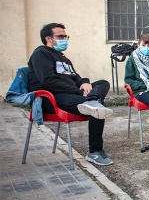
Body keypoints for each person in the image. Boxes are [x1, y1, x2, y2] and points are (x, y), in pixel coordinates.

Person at [27, 23, 114, 166]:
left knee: (103, 83)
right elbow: (48, 81)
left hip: (70, 94)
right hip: (52, 98)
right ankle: (95, 152)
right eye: (60, 36)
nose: (64, 39)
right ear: (48, 38)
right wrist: (79, 91)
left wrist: (84, 83)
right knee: (99, 108)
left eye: (65, 36)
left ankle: (92, 100)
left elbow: (75, 77)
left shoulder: (63, 58)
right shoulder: (40, 54)